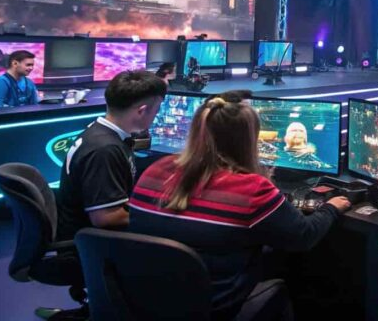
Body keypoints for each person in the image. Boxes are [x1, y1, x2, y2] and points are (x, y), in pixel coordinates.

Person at [129, 97, 350, 320]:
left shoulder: (154, 171)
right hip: (215, 307)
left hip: (144, 302)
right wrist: (331, 207)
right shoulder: (253, 189)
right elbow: (304, 236)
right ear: (249, 140)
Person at [55, 70, 167, 241]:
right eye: (156, 110)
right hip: (92, 247)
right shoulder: (105, 150)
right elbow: (106, 217)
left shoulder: (101, 132)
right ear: (142, 111)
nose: (156, 116)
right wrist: (158, 217)